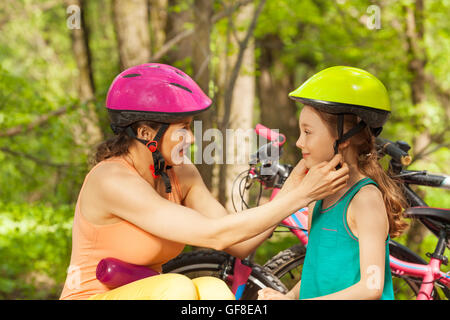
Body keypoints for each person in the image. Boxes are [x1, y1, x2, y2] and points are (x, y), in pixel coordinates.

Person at [59, 63, 350, 300]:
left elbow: (239, 243)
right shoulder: (112, 180)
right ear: (146, 132)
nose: (192, 138)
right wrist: (301, 197)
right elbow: (215, 234)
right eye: (183, 129)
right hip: (92, 296)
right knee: (176, 288)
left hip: (150, 292)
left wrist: (295, 187)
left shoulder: (180, 172)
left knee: (213, 290)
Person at [258, 66, 409, 300]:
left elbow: (371, 287)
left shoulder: (365, 199)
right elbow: (317, 272)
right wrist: (288, 297)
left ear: (344, 138)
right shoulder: (320, 196)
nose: (299, 142)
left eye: (307, 132)